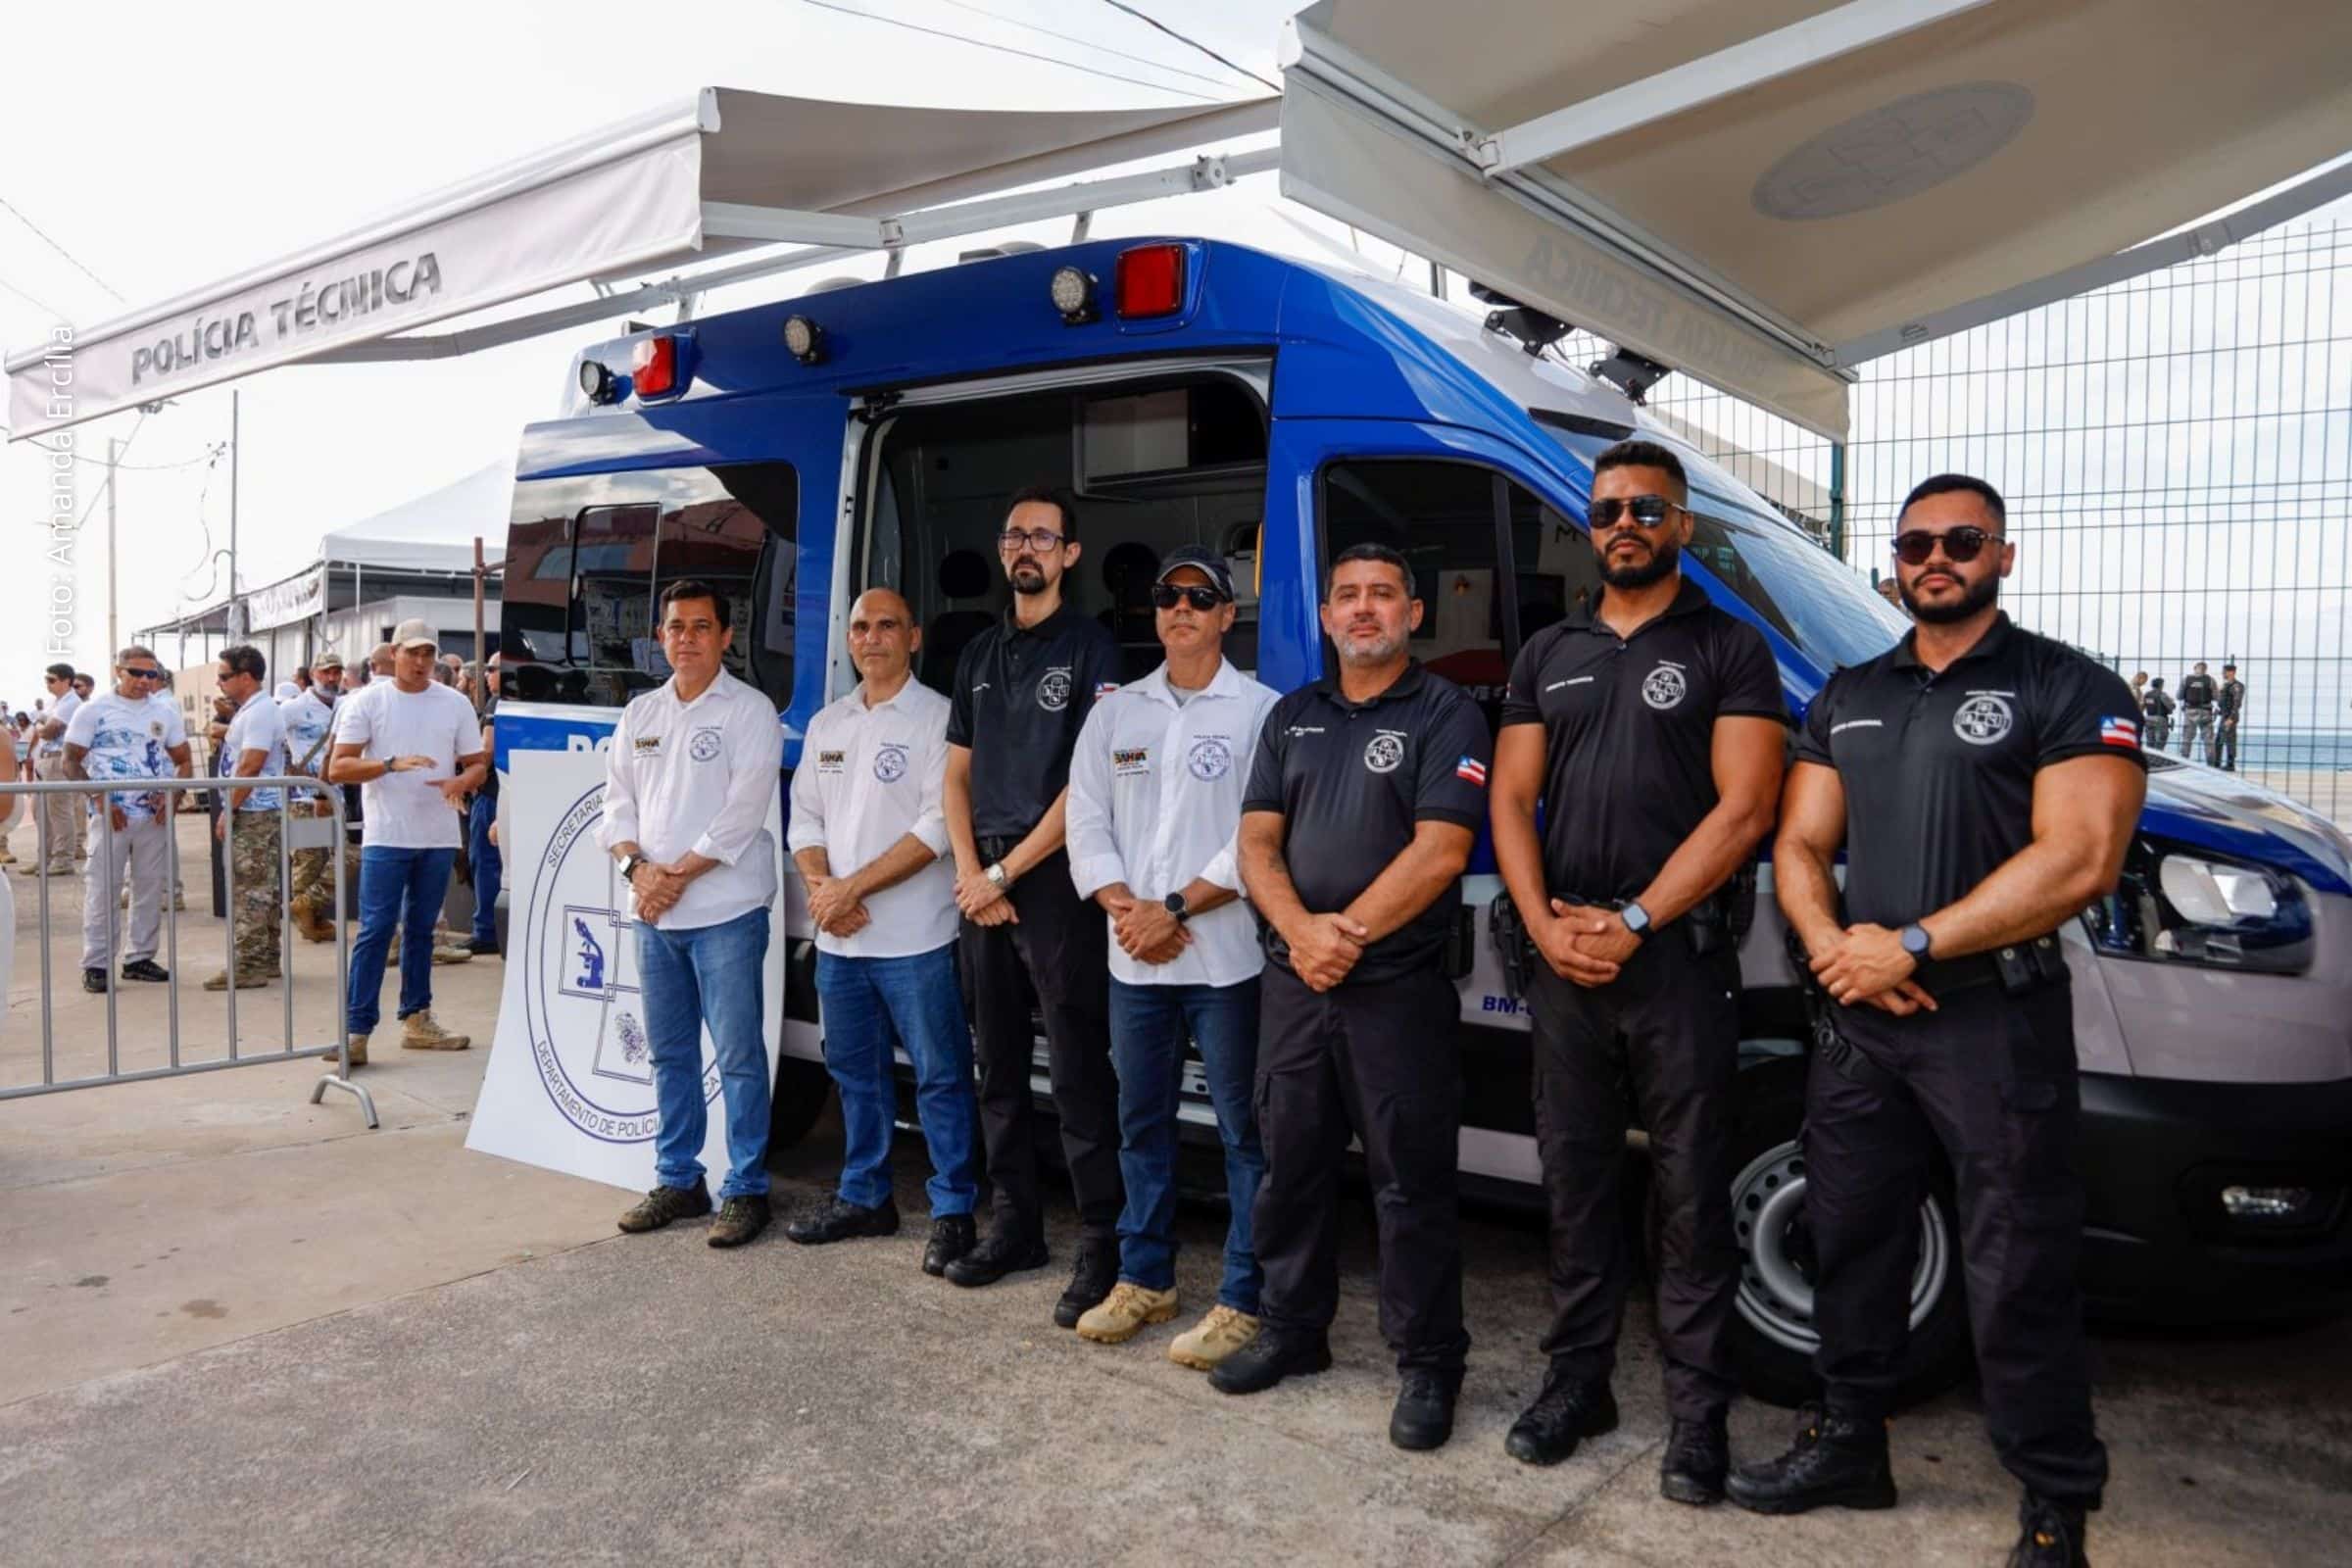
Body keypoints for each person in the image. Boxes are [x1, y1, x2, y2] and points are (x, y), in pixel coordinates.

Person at [1736, 474, 2145, 1568]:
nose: (1937, 557)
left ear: (2003, 555)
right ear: (1894, 562)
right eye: (1916, 542)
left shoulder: (2066, 686)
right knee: (1850, 1235)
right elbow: (1799, 844)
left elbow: (2080, 857)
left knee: (2019, 1264)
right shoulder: (1850, 690)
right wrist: (1836, 952)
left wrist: (1910, 944)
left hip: (1989, 1020)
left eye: (1962, 540)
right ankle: (1848, 1445)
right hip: (1863, 1012)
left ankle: (2056, 1500)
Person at [1490, 440, 1789, 1499]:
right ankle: (1580, 1383)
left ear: (1683, 525)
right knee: (1572, 1181)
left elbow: (1747, 809)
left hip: (1675, 962)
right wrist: (1542, 921)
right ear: (1591, 523)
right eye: (1611, 508)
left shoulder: (1730, 647)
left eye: (1648, 509)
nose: (1627, 524)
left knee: (1690, 1191)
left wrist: (1635, 917)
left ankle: (1698, 1415)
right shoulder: (1548, 651)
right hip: (1564, 958)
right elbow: (1510, 800)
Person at [1215, 543, 1492, 1453]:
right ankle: (1296, 1333)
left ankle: (1427, 1362)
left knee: (1409, 1183)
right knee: (1288, 1165)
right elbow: (1256, 844)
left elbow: (1441, 850)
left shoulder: (1446, 711)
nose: (1364, 610)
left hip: (1396, 992)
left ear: (1415, 612)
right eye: (1347, 597)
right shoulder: (1294, 715)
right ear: (1327, 617)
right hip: (1296, 985)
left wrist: (1343, 938)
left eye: (1382, 596)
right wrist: (1302, 934)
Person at [1063, 546, 1281, 1366]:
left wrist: (1175, 909)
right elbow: (1085, 817)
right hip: (1135, 961)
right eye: (1167, 596)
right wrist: (1123, 906)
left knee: (1242, 1134)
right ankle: (1146, 1278)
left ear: (1229, 615)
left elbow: (1258, 836)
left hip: (1224, 963)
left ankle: (1243, 1295)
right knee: (1139, 1124)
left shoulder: (1263, 711)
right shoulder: (1117, 712)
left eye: (1201, 596)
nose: (1181, 607)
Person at [939, 485, 1126, 1324]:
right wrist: (972, 872)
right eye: (1016, 534)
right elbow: (955, 773)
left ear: (1070, 556)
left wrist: (1006, 873)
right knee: (999, 1068)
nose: (1027, 549)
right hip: (984, 886)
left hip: (1054, 884)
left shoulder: (1096, 649)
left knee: (1081, 1073)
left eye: (1044, 538)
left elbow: (1086, 783)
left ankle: (1102, 1243)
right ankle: (1014, 1227)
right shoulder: (977, 652)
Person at [784, 589, 982, 1271]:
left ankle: (954, 1208)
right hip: (842, 939)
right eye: (862, 627)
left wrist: (851, 888)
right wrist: (822, 889)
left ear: (914, 637)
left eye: (887, 626)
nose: (873, 638)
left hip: (917, 939)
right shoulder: (828, 724)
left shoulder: (940, 719)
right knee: (855, 1075)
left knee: (941, 1078)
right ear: (849, 640)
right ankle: (865, 1197)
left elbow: (938, 826)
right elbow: (803, 820)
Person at [600, 581, 784, 1249]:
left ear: (726, 637)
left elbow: (743, 810)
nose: (687, 638)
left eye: (702, 627)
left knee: (738, 1057)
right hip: (654, 916)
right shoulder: (641, 713)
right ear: (660, 636)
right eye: (676, 627)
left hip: (726, 913)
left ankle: (747, 1189)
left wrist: (673, 876)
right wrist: (637, 871)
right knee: (671, 1055)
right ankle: (679, 1179)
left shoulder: (750, 711)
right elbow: (616, 806)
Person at [324, 620, 487, 1063]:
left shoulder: (454, 703)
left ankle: (417, 1018)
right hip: (387, 836)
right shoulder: (368, 701)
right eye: (412, 653)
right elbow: (338, 768)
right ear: (392, 653)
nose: (420, 662)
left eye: (428, 654)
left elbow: (478, 765)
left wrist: (461, 780)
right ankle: (356, 1031)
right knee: (376, 931)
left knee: (420, 932)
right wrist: (391, 765)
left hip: (436, 836)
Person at [64, 648, 193, 994]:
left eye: (152, 675)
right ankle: (97, 963)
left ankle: (139, 959)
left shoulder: (164, 711)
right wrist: (99, 798)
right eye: (136, 673)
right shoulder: (93, 711)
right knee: (102, 889)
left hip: (152, 817)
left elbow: (183, 760)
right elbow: (71, 761)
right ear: (118, 671)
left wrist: (173, 797)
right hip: (110, 817)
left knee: (149, 888)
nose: (144, 681)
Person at [206, 646, 290, 993]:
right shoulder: (255, 710)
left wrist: (231, 807)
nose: (220, 682)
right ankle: (265, 957)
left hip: (255, 811)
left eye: (225, 676)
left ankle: (250, 964)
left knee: (250, 890)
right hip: (260, 808)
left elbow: (251, 763)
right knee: (262, 888)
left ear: (246, 677)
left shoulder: (259, 711)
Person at [281, 651, 347, 943]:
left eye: (336, 672)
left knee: (345, 856)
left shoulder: (347, 704)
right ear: (312, 674)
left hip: (341, 794)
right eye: (326, 672)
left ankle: (308, 905)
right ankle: (311, 920)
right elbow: (267, 737)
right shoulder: (293, 708)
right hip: (304, 796)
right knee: (309, 859)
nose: (331, 678)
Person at [19, 663, 81, 876]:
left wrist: (39, 726)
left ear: (66, 681)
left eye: (52, 680)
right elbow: (41, 730)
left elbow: (49, 731)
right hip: (45, 760)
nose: (47, 684)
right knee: (40, 812)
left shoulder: (71, 702)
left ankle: (63, 859)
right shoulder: (54, 702)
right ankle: (45, 858)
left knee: (59, 811)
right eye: (47, 679)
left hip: (59, 759)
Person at [466, 654, 503, 956]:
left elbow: (486, 749)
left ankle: (486, 930)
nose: (488, 675)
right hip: (510, 792)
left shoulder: (496, 704)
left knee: (485, 864)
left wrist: (470, 776)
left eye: (492, 669)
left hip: (491, 794)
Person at [2178, 661, 2217, 761]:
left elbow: (2179, 696)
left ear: (2195, 668)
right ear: (2205, 669)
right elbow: (2216, 697)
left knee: (2187, 739)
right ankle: (2211, 764)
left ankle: (2183, 761)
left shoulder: (2186, 679)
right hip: (2205, 711)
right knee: (2208, 740)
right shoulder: (2210, 680)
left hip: (2190, 711)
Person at [2216, 662, 2246, 772]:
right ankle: (2217, 763)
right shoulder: (2225, 685)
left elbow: (2237, 703)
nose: (2222, 673)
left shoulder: (2237, 686)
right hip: (2224, 715)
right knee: (2219, 740)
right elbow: (2222, 702)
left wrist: (2231, 718)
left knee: (2229, 740)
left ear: (2231, 672)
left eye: (2224, 671)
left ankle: (2230, 764)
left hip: (2230, 716)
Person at [2139, 675, 2174, 751]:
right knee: (2160, 743)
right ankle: (2158, 760)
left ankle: (2150, 760)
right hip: (2160, 719)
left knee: (2150, 742)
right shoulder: (2162, 694)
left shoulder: (2147, 694)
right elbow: (2170, 706)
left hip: (2148, 719)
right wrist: (2173, 704)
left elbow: (2142, 706)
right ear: (2161, 685)